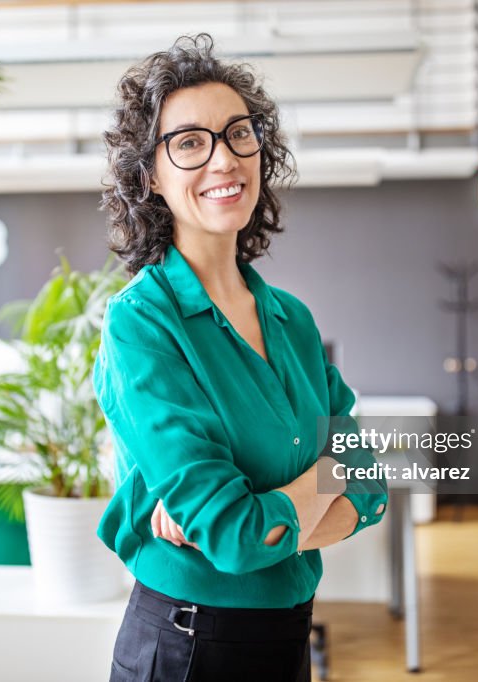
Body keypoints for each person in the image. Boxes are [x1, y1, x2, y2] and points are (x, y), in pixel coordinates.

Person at [94, 33, 388, 682]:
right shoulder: (141, 324)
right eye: (191, 142)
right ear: (151, 176)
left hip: (288, 639)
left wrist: (261, 516)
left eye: (239, 135)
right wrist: (322, 478)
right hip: (189, 647)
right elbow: (236, 535)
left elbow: (370, 487)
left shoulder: (294, 320)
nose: (224, 159)